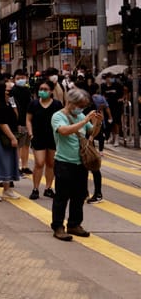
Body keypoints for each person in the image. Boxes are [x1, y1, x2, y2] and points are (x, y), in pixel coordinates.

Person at [50, 88, 102, 241]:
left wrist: (96, 123)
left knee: (79, 196)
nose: (81, 108)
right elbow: (64, 131)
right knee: (61, 196)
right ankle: (58, 226)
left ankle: (74, 224)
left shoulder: (79, 115)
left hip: (81, 163)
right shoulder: (58, 116)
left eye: (83, 106)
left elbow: (91, 133)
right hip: (64, 163)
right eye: (79, 105)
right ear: (70, 102)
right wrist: (84, 121)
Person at [26, 80, 63, 200]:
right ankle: (35, 188)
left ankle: (48, 188)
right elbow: (28, 120)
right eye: (41, 89)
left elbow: (62, 119)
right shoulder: (34, 104)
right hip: (38, 137)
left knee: (51, 164)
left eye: (45, 89)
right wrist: (31, 134)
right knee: (39, 163)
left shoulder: (57, 105)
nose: (42, 91)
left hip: (53, 138)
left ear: (51, 91)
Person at [12, 69, 33, 175]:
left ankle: (24, 166)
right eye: (18, 78)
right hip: (18, 122)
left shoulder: (27, 90)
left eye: (23, 78)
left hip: (28, 122)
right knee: (18, 146)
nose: (21, 80)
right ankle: (16, 167)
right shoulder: (13, 91)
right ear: (14, 79)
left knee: (26, 145)